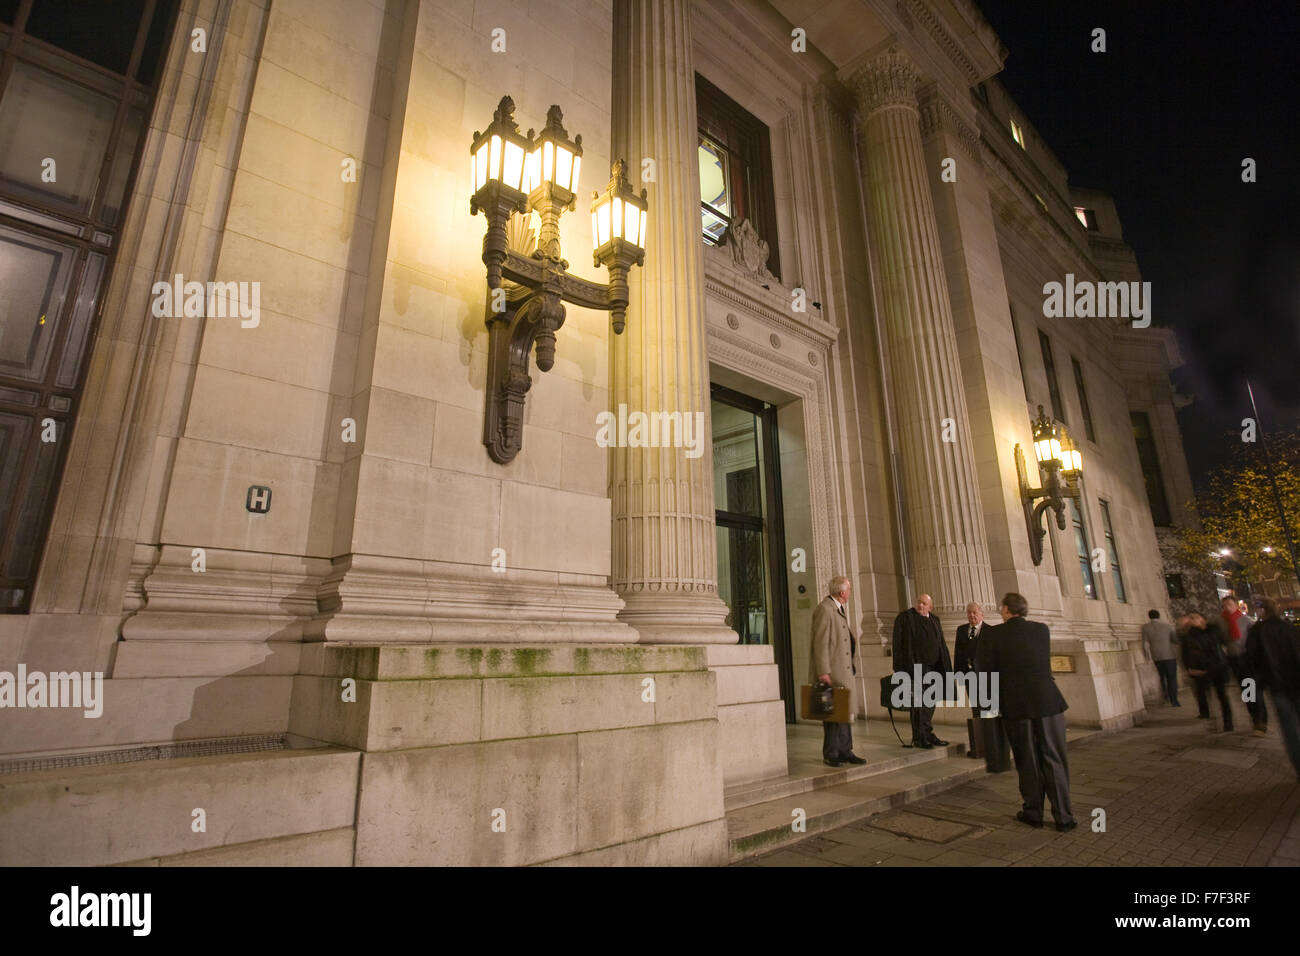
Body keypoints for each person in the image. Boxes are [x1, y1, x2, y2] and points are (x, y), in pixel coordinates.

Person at [978, 592, 1076, 832]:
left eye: (1002, 609)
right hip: (1048, 703)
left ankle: (1033, 812)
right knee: (1054, 758)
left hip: (1016, 705)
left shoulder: (992, 634)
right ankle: (1064, 816)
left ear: (1006, 610)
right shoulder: (1042, 630)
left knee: (1027, 759)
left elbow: (985, 672)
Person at [810, 575, 865, 768]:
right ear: (842, 592)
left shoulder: (838, 609)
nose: (850, 592)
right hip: (832, 672)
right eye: (849, 589)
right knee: (832, 715)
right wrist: (823, 671)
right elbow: (820, 643)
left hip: (844, 670)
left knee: (844, 712)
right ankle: (831, 752)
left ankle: (845, 750)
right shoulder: (825, 609)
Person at [1247, 598, 1300, 777]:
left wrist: (1253, 691)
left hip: (1277, 685)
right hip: (1295, 682)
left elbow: (1251, 664)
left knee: (1289, 728)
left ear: (1262, 610)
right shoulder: (1288, 628)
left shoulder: (1256, 631)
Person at [892, 593, 951, 749]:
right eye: (919, 602)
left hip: (935, 667)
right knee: (918, 703)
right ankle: (919, 736)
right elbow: (897, 644)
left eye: (924, 603)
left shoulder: (935, 620)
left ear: (930, 607)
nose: (920, 605)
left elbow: (941, 643)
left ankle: (927, 732)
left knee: (930, 702)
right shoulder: (905, 618)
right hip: (916, 667)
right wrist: (898, 669)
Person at [1215, 595, 1267, 735]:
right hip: (1234, 659)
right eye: (1225, 605)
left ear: (1235, 605)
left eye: (1230, 605)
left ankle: (1260, 721)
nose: (1228, 608)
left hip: (1247, 658)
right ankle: (1256, 718)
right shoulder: (1221, 622)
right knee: (1246, 690)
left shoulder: (1246, 620)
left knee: (1253, 689)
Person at [1180, 612, 1233, 732]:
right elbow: (1186, 652)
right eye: (1191, 618)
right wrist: (1189, 668)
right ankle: (1212, 720)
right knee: (1204, 695)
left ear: (1203, 619)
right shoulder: (1190, 634)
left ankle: (1228, 722)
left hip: (1217, 667)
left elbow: (1220, 643)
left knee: (1222, 696)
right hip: (1201, 669)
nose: (1193, 620)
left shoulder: (1213, 630)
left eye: (1196, 618)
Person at [954, 601, 989, 758]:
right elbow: (958, 654)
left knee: (989, 711)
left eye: (974, 612)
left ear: (982, 614)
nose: (971, 615)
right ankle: (980, 746)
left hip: (988, 678)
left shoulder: (991, 631)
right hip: (969, 678)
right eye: (969, 612)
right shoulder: (961, 630)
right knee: (976, 711)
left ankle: (992, 745)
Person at [1141, 609, 1180, 706]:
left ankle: (1165, 696)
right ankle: (1174, 700)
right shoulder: (1167, 626)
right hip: (1169, 655)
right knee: (1172, 677)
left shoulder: (1145, 627)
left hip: (1156, 656)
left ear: (1149, 617)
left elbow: (1145, 643)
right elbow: (1175, 639)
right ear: (1159, 616)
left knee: (1162, 676)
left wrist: (1147, 656)